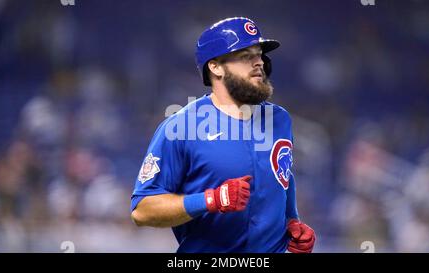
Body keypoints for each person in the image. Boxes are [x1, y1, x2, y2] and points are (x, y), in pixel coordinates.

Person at [130, 17, 316, 253]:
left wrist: (292, 224)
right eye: (246, 56)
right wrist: (211, 200)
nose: (259, 62)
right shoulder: (181, 127)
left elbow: (282, 178)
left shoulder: (280, 120)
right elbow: (142, 210)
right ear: (215, 66)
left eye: (259, 54)